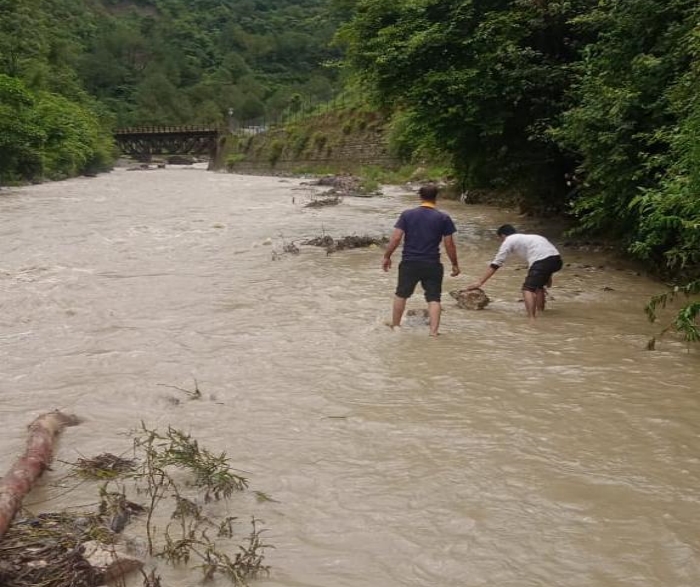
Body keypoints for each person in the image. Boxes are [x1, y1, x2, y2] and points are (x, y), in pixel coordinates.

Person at [382, 184, 460, 336]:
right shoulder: (443, 217)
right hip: (432, 263)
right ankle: (433, 332)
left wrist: (387, 256)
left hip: (409, 262)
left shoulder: (407, 215)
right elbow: (449, 244)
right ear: (436, 197)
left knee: (401, 294)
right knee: (434, 298)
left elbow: (397, 238)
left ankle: (396, 326)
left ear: (420, 196)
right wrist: (455, 264)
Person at [466, 224, 562, 321]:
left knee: (527, 289)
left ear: (503, 236)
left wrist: (480, 282)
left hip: (541, 262)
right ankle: (541, 312)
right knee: (538, 287)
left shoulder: (509, 240)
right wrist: (548, 276)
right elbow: (548, 255)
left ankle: (532, 320)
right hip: (557, 260)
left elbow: (496, 263)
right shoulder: (533, 237)